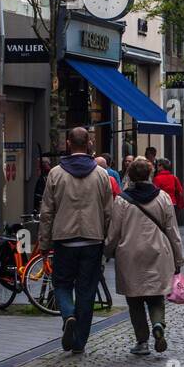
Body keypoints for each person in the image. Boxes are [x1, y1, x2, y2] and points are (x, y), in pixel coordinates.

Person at [39, 127, 113, 355]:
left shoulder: (56, 173)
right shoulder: (101, 174)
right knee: (87, 290)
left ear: (69, 143)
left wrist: (44, 243)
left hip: (64, 239)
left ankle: (68, 313)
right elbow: (109, 211)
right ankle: (79, 341)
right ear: (89, 143)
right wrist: (107, 242)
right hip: (92, 240)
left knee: (61, 284)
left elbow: (47, 212)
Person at [104, 157, 183, 356]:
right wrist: (178, 259)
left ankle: (142, 341)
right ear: (150, 174)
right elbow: (172, 231)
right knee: (156, 297)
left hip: (130, 255)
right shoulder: (163, 197)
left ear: (129, 175)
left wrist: (106, 251)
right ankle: (158, 324)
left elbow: (114, 232)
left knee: (135, 300)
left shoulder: (122, 200)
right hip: (158, 253)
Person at [153, 159, 184, 227]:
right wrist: (180, 205)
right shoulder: (174, 178)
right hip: (173, 204)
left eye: (157, 165)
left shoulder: (156, 179)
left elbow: (154, 192)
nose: (156, 167)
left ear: (161, 166)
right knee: (171, 225)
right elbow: (180, 192)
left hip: (161, 204)